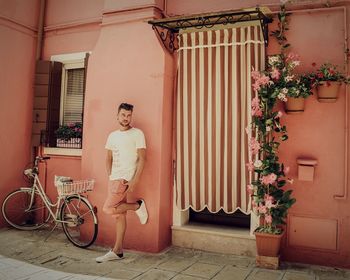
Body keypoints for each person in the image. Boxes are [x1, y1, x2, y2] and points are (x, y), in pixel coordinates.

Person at [96, 102, 148, 263]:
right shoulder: (112, 136)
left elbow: (142, 159)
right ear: (117, 115)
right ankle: (118, 251)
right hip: (114, 179)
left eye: (129, 115)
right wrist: (110, 174)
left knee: (108, 208)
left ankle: (137, 206)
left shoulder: (137, 133)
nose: (126, 118)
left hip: (123, 179)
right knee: (119, 216)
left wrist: (135, 180)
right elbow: (108, 158)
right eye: (123, 115)